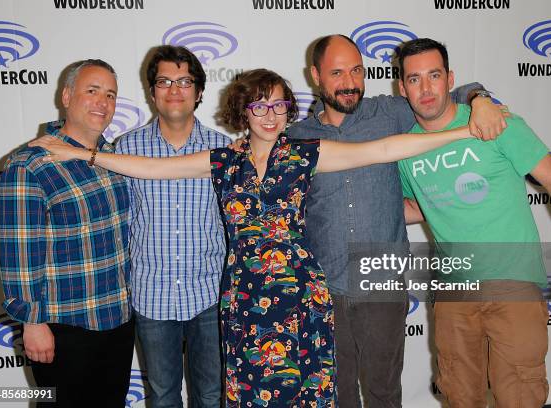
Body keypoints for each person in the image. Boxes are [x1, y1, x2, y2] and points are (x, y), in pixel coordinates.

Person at [31, 68, 480, 406]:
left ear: (289, 110)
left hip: (301, 295)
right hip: (246, 297)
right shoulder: (224, 161)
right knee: (253, 394)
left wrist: (464, 131)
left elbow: (383, 149)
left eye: (280, 105)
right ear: (243, 111)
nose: (270, 115)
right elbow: (150, 168)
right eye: (260, 106)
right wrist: (85, 154)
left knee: (306, 392)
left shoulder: (307, 154)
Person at [286, 34, 507, 408]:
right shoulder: (297, 138)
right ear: (315, 76)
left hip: (381, 282)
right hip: (323, 289)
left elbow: (442, 95)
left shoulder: (391, 112)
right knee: (334, 397)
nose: (349, 82)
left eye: (357, 70)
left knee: (384, 394)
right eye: (337, 72)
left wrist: (480, 99)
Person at [396, 38, 551, 407]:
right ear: (401, 87)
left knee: (520, 396)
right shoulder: (407, 148)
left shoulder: (497, 123)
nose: (425, 88)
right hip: (454, 291)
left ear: (450, 78)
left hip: (513, 286)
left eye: (434, 75)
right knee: (460, 397)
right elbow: (419, 206)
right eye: (414, 79)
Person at [0, 59, 134, 407]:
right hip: (62, 327)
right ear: (67, 95)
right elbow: (20, 251)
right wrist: (32, 323)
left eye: (111, 95)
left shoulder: (113, 159)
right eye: (92, 91)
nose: (102, 102)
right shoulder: (29, 164)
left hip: (116, 319)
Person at [115, 45, 229, 408]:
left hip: (210, 292)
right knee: (162, 396)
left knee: (211, 395)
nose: (174, 90)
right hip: (152, 294)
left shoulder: (224, 150)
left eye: (184, 81)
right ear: (152, 93)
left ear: (198, 92)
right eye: (164, 81)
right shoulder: (127, 148)